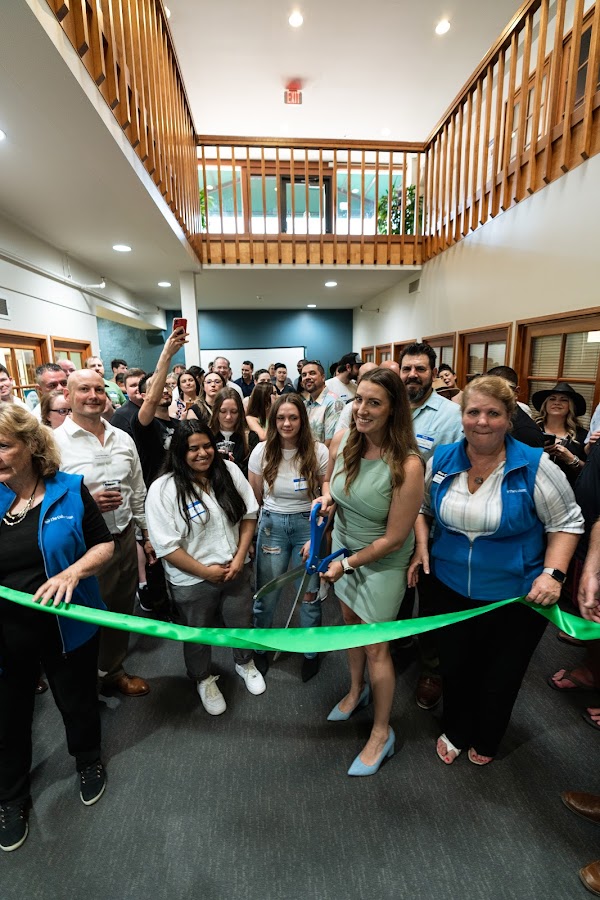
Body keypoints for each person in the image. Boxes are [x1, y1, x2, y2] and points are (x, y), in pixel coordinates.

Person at [408, 375, 583, 766]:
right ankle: (456, 728)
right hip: (450, 588)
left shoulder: (535, 465)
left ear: (509, 418)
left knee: (500, 674)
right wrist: (421, 546)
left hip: (515, 596)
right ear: (462, 416)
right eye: (473, 412)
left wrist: (553, 574)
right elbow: (422, 508)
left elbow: (567, 522)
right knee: (455, 666)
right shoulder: (443, 459)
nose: (482, 422)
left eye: (493, 413)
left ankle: (488, 736)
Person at [0, 405, 114, 852]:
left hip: (68, 626)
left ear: (31, 446)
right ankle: (11, 796)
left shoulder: (69, 489)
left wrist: (74, 572)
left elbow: (103, 545)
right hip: (7, 636)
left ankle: (88, 760)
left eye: (4, 445)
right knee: (8, 718)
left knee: (78, 701)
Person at [318, 368, 424, 776]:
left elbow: (395, 539)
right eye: (358, 399)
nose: (361, 409)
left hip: (381, 562)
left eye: (374, 402)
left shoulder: (407, 465)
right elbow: (330, 484)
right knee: (350, 625)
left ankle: (382, 732)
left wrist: (345, 564)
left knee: (376, 645)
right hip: (345, 548)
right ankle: (356, 689)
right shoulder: (345, 439)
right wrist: (327, 502)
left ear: (393, 409)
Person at [145, 421, 264, 715]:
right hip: (191, 580)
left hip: (236, 570)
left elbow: (249, 515)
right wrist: (205, 572)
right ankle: (203, 678)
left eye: (207, 445)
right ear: (179, 452)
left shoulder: (229, 471)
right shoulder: (163, 489)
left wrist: (239, 558)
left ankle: (245, 662)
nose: (202, 453)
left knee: (241, 621)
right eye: (193, 448)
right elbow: (166, 546)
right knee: (197, 634)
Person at [53, 369, 151, 697]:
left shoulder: (122, 438)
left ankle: (112, 671)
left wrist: (145, 532)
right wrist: (86, 504)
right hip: (81, 545)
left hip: (122, 537)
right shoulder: (53, 443)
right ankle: (82, 682)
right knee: (84, 615)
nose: (93, 396)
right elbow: (43, 499)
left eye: (99, 389)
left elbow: (137, 488)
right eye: (84, 389)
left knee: (121, 609)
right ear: (67, 396)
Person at [398, 342, 463, 711]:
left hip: (432, 525)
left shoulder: (451, 416)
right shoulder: (391, 407)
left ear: (433, 374)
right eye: (407, 368)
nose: (413, 375)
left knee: (431, 600)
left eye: (420, 369)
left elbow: (456, 472)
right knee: (396, 591)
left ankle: (432, 669)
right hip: (390, 522)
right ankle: (399, 643)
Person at [249, 394, 329, 682]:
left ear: (302, 420)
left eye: (293, 417)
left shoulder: (318, 451)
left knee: (309, 593)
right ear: (273, 421)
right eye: (281, 418)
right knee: (268, 591)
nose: (286, 423)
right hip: (273, 524)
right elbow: (256, 496)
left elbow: (326, 493)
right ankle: (261, 647)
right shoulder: (261, 451)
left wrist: (318, 534)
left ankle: (310, 652)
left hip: (307, 525)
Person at [532, 382, 587, 487]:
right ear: (545, 404)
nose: (557, 402)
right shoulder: (531, 430)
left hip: (567, 490)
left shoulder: (582, 436)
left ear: (571, 406)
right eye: (552, 399)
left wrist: (572, 459)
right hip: (532, 488)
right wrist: (538, 453)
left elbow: (590, 474)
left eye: (563, 400)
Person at [301, 360, 343, 447]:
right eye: (304, 375)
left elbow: (330, 443)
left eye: (312, 373)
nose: (307, 377)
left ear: (323, 377)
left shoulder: (334, 403)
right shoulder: (305, 404)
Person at [209, 388, 251, 475]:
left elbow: (252, 473)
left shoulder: (250, 437)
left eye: (234, 412)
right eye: (223, 411)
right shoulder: (207, 436)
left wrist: (234, 464)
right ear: (216, 411)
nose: (228, 417)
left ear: (240, 412)